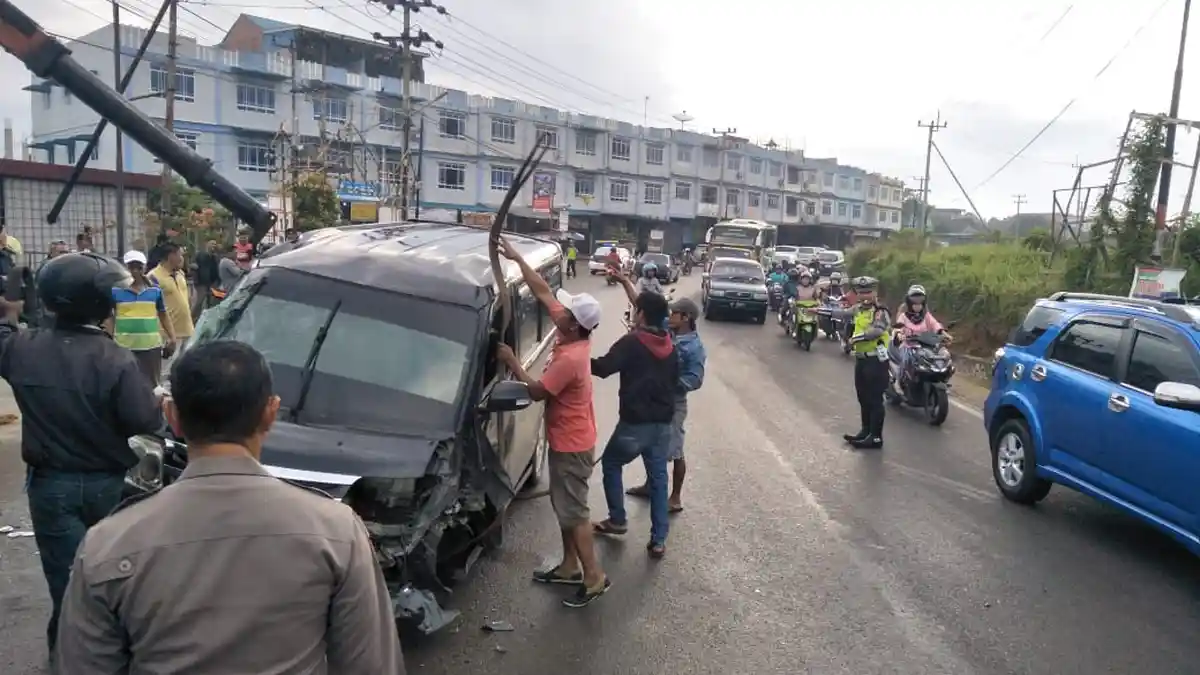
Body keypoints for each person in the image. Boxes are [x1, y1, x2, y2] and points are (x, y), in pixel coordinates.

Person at [55, 340, 406, 674]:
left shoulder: (107, 544)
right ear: (270, 413)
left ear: (171, 415)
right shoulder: (336, 530)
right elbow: (370, 666)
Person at [0, 252, 162, 663]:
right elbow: (143, 419)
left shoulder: (22, 348)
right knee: (113, 585)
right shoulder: (116, 358)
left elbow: (4, 329)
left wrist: (16, 300)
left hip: (51, 487)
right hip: (108, 486)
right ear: (100, 305)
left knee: (67, 588)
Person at [492, 238, 609, 608]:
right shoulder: (572, 331)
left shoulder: (571, 359)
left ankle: (594, 577)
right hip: (568, 440)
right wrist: (517, 259)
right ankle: (570, 566)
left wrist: (512, 362)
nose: (561, 312)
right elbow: (542, 291)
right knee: (564, 507)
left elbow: (540, 392)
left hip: (573, 445)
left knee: (575, 512)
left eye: (567, 313)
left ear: (575, 327)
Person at [591, 290, 678, 559]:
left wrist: (576, 356)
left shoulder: (631, 342)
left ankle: (617, 519)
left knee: (612, 463)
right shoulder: (670, 345)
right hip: (663, 423)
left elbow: (603, 368)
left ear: (641, 314)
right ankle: (659, 540)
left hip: (634, 423)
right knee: (659, 480)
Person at [625, 297, 706, 513]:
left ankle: (676, 496)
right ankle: (650, 485)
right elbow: (644, 307)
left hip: (673, 404)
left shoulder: (694, 348)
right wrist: (624, 281)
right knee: (650, 443)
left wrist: (668, 382)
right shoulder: (669, 330)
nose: (669, 316)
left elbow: (695, 379)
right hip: (654, 399)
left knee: (675, 449)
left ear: (686, 317)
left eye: (674, 313)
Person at [113, 250, 178, 386]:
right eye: (131, 267)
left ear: (145, 268)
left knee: (152, 385)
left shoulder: (154, 291)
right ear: (125, 268)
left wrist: (172, 337)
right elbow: (109, 316)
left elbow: (163, 314)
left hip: (150, 347)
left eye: (139, 267)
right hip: (123, 347)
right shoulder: (115, 291)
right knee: (126, 384)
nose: (135, 271)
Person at [842, 276, 892, 450]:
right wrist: (818, 310)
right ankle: (865, 431)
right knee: (862, 397)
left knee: (874, 399)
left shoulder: (880, 311)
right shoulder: (858, 309)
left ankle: (876, 436)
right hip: (862, 360)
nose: (865, 295)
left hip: (876, 361)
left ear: (875, 293)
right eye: (861, 292)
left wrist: (855, 339)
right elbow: (841, 313)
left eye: (868, 292)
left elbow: (876, 331)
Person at [893, 284, 952, 385]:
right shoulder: (903, 316)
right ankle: (900, 383)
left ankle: (942, 380)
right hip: (908, 346)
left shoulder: (927, 316)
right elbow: (898, 328)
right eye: (914, 301)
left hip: (926, 346)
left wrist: (943, 333)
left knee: (942, 356)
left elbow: (935, 324)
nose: (917, 304)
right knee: (905, 360)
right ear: (909, 302)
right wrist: (899, 334)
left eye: (920, 301)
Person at [148, 242, 194, 361]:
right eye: (180, 255)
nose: (182, 259)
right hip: (167, 335)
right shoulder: (153, 277)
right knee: (166, 372)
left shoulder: (180, 273)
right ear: (170, 256)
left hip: (187, 330)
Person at [191, 239, 220, 320]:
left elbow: (216, 269)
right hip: (201, 282)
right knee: (199, 301)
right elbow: (192, 264)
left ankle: (207, 319)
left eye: (215, 244)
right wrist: (194, 269)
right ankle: (193, 318)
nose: (213, 246)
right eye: (212, 244)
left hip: (212, 282)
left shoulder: (214, 257)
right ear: (207, 245)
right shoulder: (200, 254)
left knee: (211, 302)